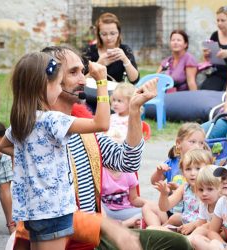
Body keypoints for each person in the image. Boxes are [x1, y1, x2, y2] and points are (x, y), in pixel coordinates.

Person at [13, 45, 192, 250]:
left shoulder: (83, 125)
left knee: (177, 243)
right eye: (73, 72)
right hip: (62, 239)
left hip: (94, 234)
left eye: (82, 71)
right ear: (48, 81)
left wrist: (134, 111)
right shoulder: (35, 133)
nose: (82, 79)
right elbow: (49, 210)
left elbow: (128, 161)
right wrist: (108, 226)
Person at [0, 52, 111, 249]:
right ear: (44, 86)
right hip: (55, 210)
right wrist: (102, 82)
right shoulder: (52, 120)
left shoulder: (22, 121)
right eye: (59, 85)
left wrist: (33, 159)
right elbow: (101, 123)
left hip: (33, 209)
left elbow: (4, 146)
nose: (60, 90)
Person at [146, 122, 206, 218]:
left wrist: (179, 188)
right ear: (178, 143)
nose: (197, 146)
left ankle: (166, 227)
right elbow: (154, 182)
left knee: (175, 218)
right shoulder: (171, 162)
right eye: (192, 142)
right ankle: (161, 227)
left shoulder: (204, 165)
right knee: (148, 206)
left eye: (201, 143)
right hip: (170, 207)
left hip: (192, 213)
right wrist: (159, 172)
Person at [84, 12, 139, 83]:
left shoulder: (125, 50)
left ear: (118, 33)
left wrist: (125, 60)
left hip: (116, 92)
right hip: (94, 91)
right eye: (104, 34)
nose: (108, 38)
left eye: (112, 33)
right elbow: (83, 81)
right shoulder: (89, 50)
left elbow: (134, 80)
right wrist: (99, 64)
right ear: (98, 34)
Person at [200, 6, 227, 91]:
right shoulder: (215, 35)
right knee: (206, 90)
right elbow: (209, 61)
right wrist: (207, 55)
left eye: (223, 20)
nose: (219, 23)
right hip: (218, 73)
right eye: (218, 20)